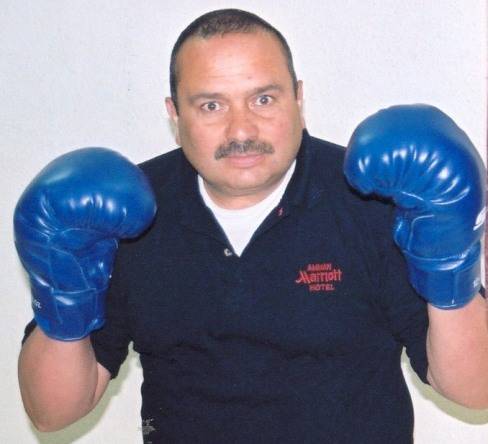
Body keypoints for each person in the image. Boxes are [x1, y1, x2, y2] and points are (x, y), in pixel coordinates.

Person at [14, 8, 488, 444]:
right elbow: (53, 414)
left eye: (263, 99)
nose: (241, 131)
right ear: (174, 113)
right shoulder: (127, 215)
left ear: (298, 98)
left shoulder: (373, 203)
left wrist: (452, 262)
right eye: (211, 106)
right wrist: (63, 290)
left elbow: (474, 389)